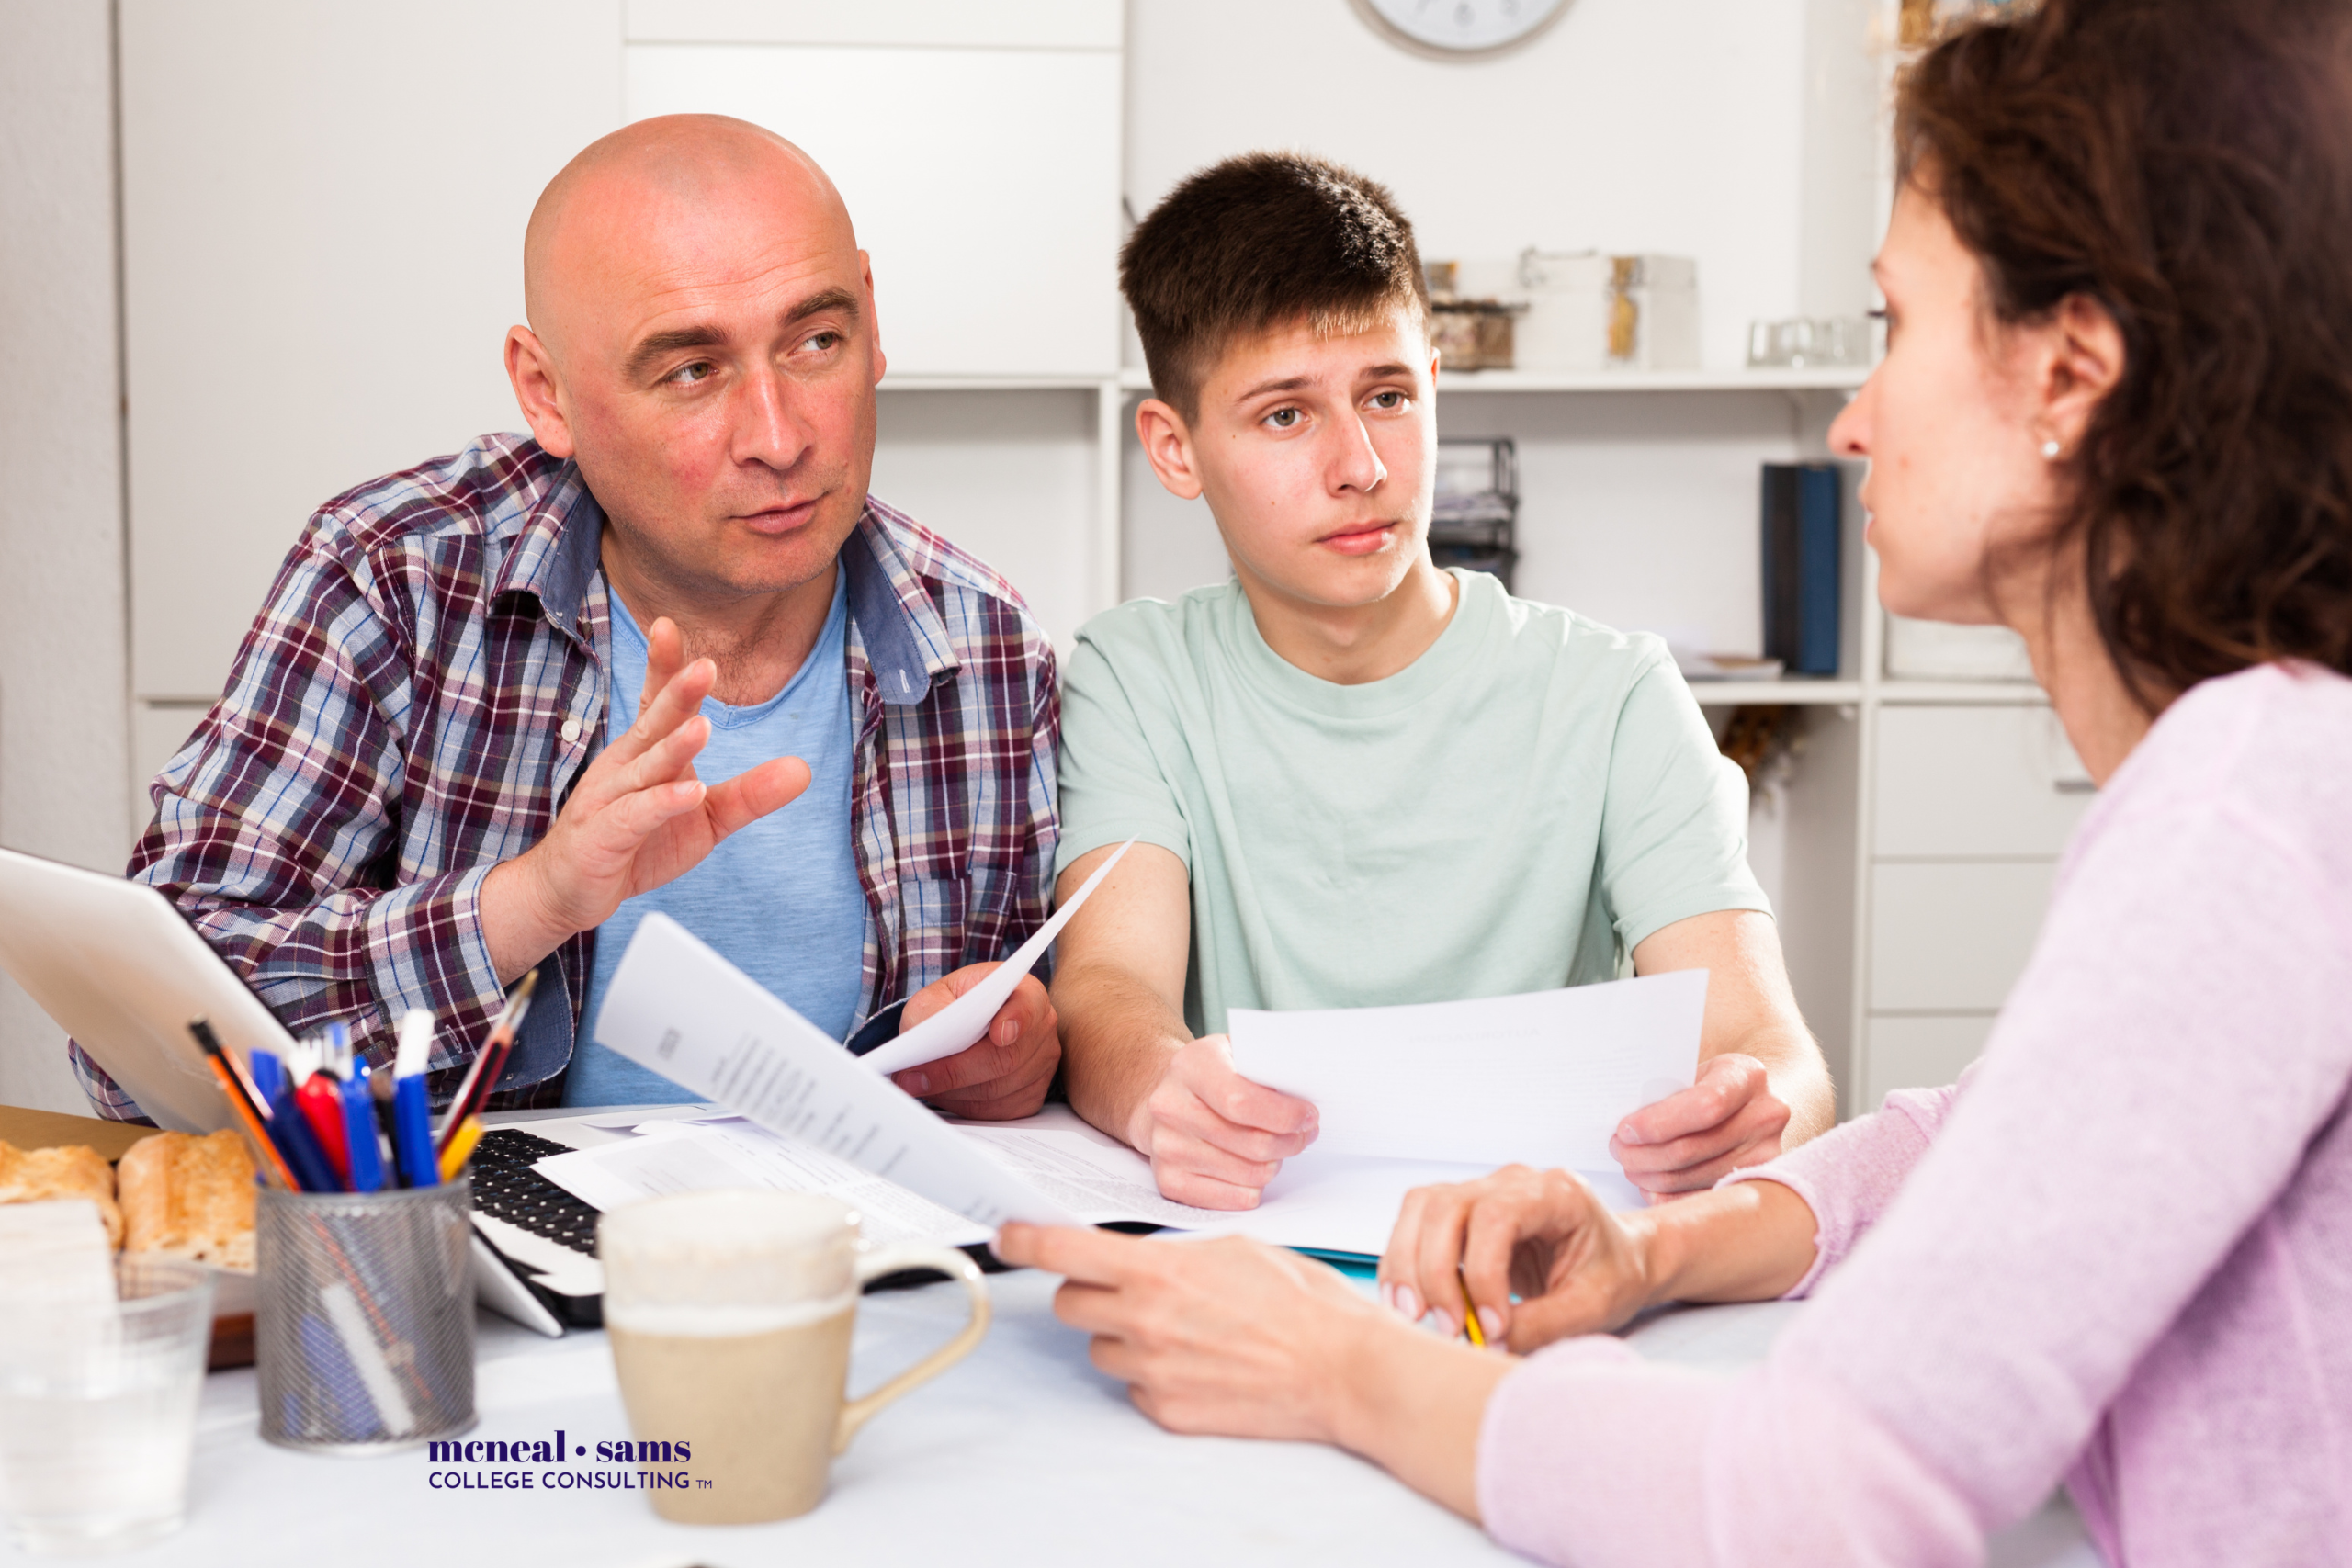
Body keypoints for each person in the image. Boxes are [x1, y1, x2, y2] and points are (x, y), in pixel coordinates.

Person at [997, 0, 2352, 1561]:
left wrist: (1333, 1363)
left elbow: (1814, 1499)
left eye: (1896, 327)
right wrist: (1648, 1252)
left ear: (2069, 378)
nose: (1851, 416)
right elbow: (1975, 1144)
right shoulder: (2265, 778)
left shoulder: (2246, 820)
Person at [75, 116, 1061, 1119]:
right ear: (545, 393)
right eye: (692, 370)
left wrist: (1025, 1060)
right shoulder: (397, 578)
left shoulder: (986, 647)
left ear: (872, 320)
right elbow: (128, 1052)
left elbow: (1028, 1041)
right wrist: (527, 905)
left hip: (853, 1260)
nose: (779, 436)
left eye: (817, 340)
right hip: (482, 1267)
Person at [1049, 153, 1835, 1208]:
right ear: (1175, 448)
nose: (1362, 466)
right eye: (1286, 415)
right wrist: (1160, 1088)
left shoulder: (1614, 693)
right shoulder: (1135, 677)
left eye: (1388, 396)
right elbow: (1109, 988)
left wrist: (1756, 1102)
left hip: (1545, 1255)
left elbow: (1770, 1047)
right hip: (1256, 1243)